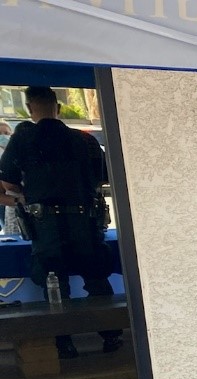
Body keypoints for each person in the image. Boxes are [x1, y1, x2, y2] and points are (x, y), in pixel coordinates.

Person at [0, 87, 122, 358]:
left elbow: (7, 181)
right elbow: (102, 177)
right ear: (59, 107)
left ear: (30, 109)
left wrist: (26, 193)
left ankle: (64, 343)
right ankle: (113, 336)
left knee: (55, 284)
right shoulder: (84, 140)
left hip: (46, 223)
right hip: (84, 220)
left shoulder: (23, 138)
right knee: (96, 277)